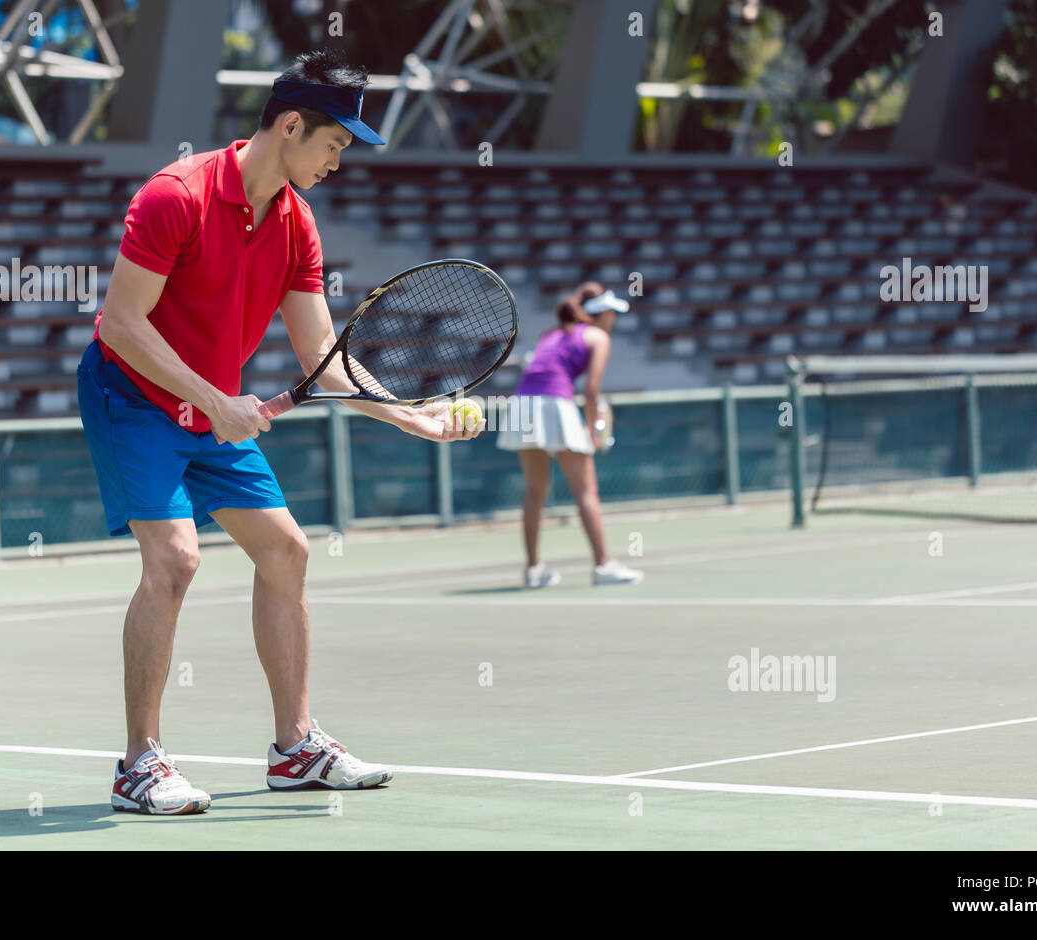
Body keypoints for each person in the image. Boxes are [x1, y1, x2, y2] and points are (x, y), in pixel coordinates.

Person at [77, 50, 481, 815]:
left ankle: (296, 749)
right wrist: (213, 399)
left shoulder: (296, 224)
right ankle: (139, 762)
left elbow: (324, 363)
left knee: (287, 550)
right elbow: (124, 325)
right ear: (290, 126)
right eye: (334, 144)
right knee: (175, 558)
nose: (338, 161)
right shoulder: (176, 196)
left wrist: (410, 416)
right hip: (130, 394)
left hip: (207, 405)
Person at [496, 282, 645, 588]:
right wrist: (591, 432)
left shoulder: (549, 335)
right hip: (554, 405)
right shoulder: (599, 337)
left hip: (522, 405)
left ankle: (533, 569)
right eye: (611, 313)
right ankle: (603, 565)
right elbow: (591, 391)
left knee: (534, 492)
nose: (613, 319)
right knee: (586, 491)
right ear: (600, 314)